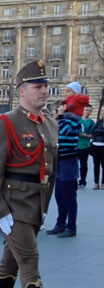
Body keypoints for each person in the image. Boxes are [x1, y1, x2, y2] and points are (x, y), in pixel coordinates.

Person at [0, 59, 79, 288]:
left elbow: (50, 168)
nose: (44, 90)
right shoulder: (6, 122)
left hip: (35, 205)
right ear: (21, 91)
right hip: (13, 207)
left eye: (45, 85)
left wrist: (45, 206)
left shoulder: (49, 122)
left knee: (10, 262)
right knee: (29, 261)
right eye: (37, 86)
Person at [45, 84, 86, 238]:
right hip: (60, 162)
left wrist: (61, 117)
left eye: (54, 111)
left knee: (69, 198)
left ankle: (71, 227)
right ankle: (60, 224)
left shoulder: (73, 119)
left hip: (68, 162)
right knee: (59, 196)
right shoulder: (62, 119)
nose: (53, 113)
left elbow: (64, 132)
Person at [76, 104, 95, 188]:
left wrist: (86, 136)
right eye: (86, 110)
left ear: (91, 112)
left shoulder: (92, 123)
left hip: (85, 147)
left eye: (89, 110)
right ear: (83, 111)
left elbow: (93, 135)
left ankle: (82, 181)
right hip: (74, 146)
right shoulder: (77, 120)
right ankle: (73, 180)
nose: (87, 111)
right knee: (73, 164)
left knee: (83, 165)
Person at [91, 108, 104, 189]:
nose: (103, 112)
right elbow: (93, 132)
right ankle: (96, 183)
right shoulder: (99, 122)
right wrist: (101, 131)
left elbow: (97, 132)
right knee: (96, 165)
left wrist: (98, 131)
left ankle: (103, 183)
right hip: (96, 145)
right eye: (102, 110)